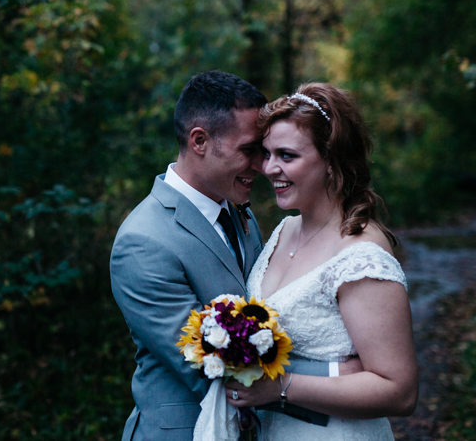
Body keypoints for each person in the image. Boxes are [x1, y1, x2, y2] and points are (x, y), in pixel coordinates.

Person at [110, 72, 356, 441]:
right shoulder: (144, 241)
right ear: (199, 141)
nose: (262, 166)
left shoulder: (239, 212)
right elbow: (213, 366)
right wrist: (340, 375)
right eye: (249, 150)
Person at [224, 83, 419, 440]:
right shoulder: (284, 230)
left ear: (331, 161)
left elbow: (400, 392)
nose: (269, 168)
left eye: (287, 156)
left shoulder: (361, 255)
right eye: (267, 154)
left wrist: (282, 386)